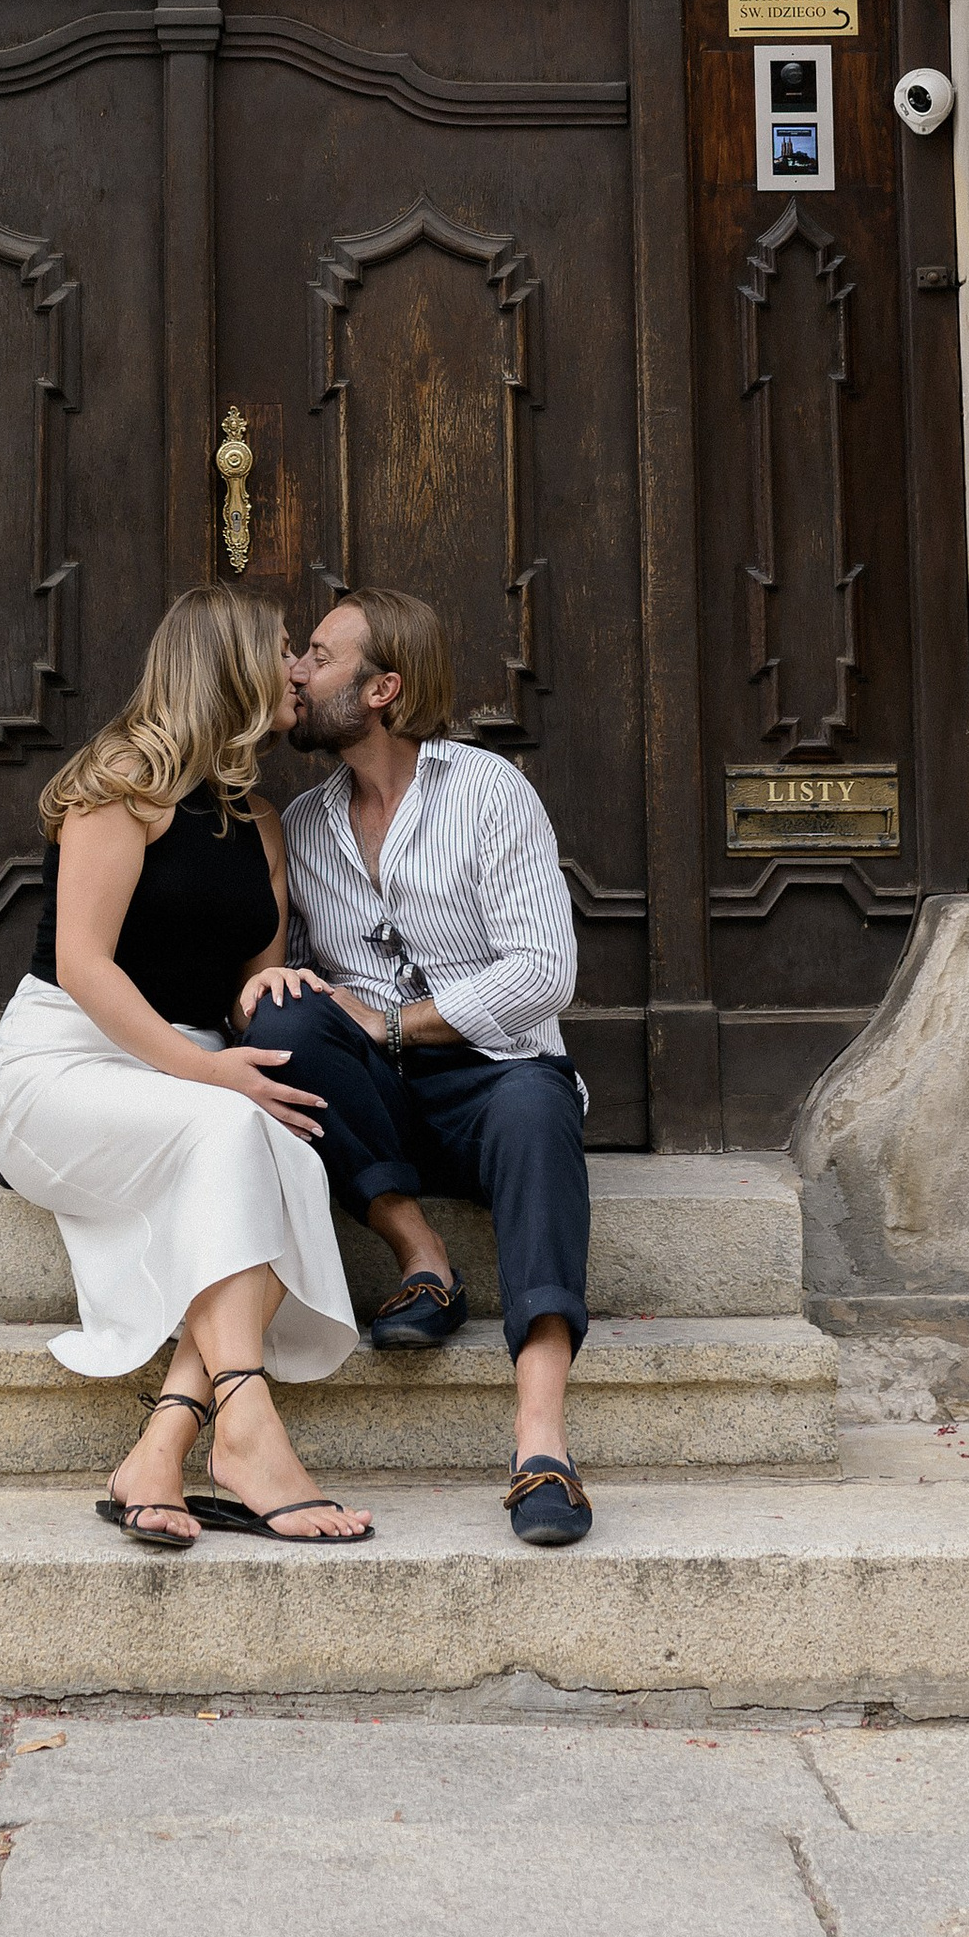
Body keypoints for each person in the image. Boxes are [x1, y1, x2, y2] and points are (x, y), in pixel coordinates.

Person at [0, 583, 372, 1554]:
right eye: (283, 647)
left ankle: (165, 1443)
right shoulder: (119, 786)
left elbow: (244, 983)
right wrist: (214, 1077)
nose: (297, 667)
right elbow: (83, 963)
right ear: (230, 664)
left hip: (189, 1070)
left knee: (286, 1149)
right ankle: (248, 1422)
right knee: (240, 1124)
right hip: (64, 1065)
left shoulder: (263, 823)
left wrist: (275, 989)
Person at [248, 590, 597, 1549]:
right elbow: (292, 983)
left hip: (491, 1081)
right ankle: (421, 1255)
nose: (295, 672)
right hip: (377, 1112)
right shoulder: (307, 821)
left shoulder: (488, 792)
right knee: (285, 1011)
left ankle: (541, 1442)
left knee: (537, 1108)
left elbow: (542, 973)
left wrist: (396, 1021)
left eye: (317, 656)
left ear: (382, 690)